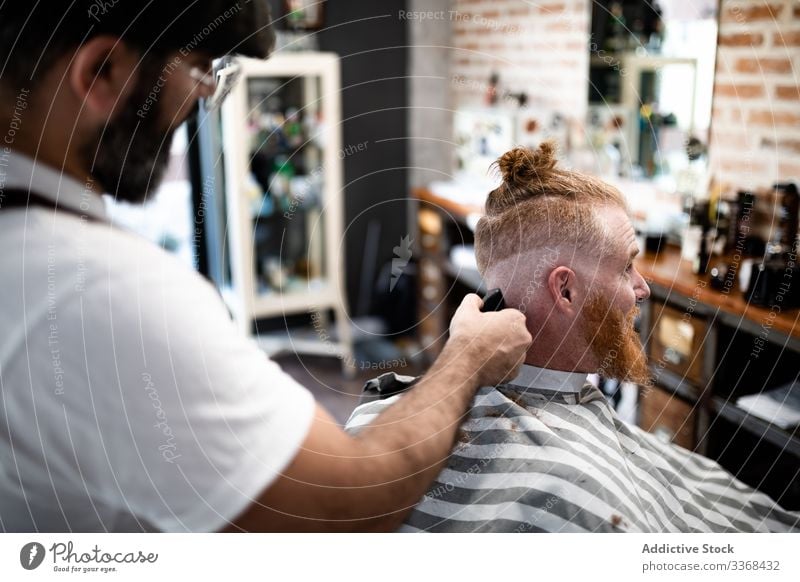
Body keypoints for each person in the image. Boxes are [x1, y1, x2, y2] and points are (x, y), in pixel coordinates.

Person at [0, 2, 532, 532]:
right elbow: (345, 505)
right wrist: (468, 356)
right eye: (202, 74)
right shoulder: (99, 290)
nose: (200, 102)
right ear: (103, 72)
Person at [346, 142, 800, 533]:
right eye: (626, 267)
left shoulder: (381, 422)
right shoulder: (571, 495)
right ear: (565, 289)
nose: (642, 288)